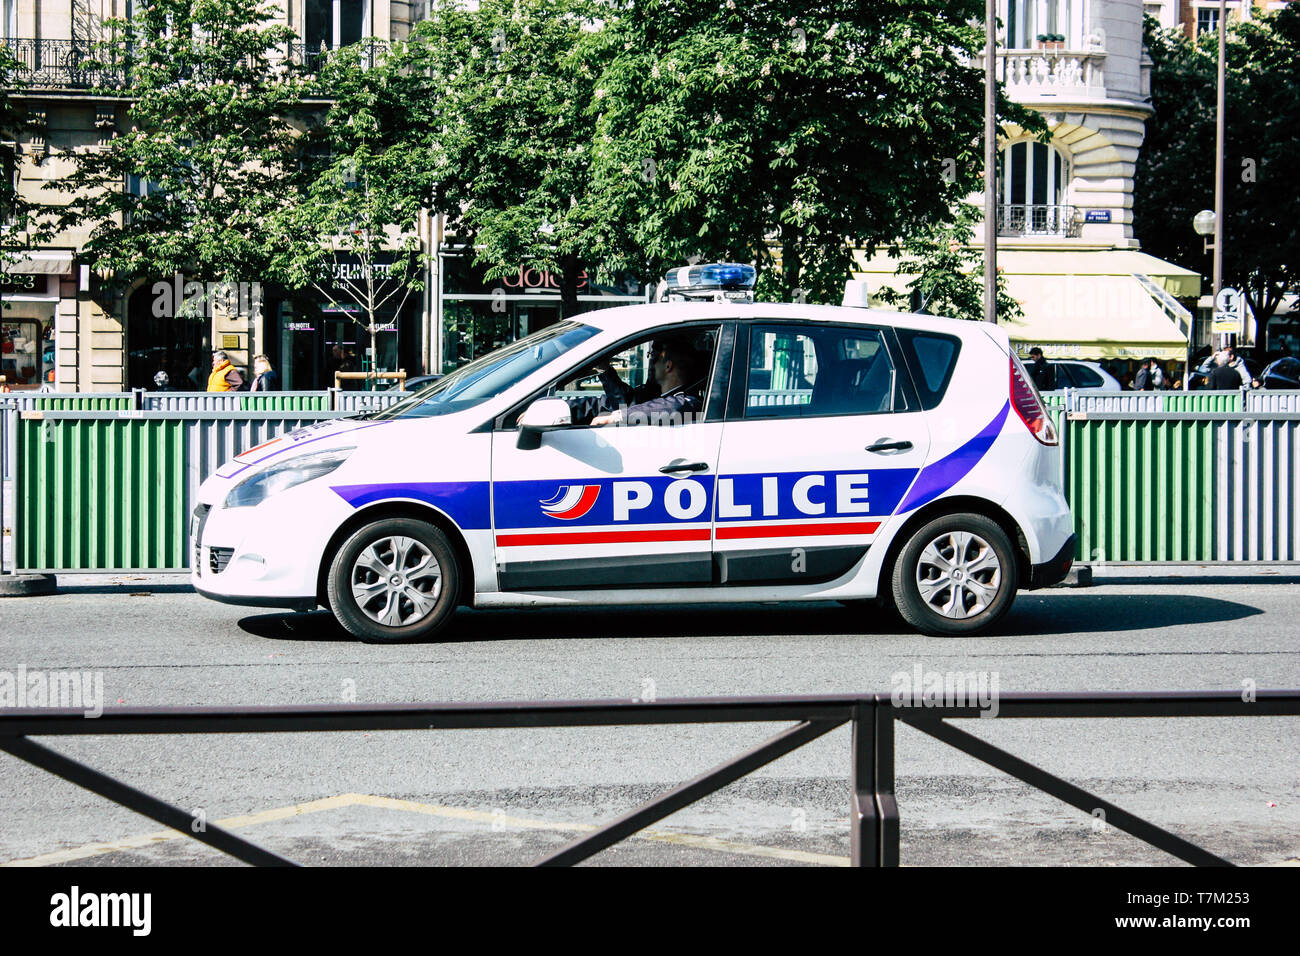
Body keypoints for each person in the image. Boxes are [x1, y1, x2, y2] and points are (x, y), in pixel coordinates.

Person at [571, 335, 707, 427]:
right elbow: (625, 402)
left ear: (668, 366)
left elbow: (674, 407)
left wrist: (616, 417)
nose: (650, 361)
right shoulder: (653, 394)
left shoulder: (690, 401)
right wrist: (604, 369)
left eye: (654, 356)